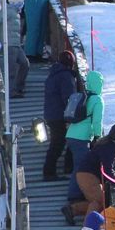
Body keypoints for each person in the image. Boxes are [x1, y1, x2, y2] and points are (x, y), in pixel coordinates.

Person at [64, 123, 115, 225]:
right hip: (88, 175)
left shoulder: (106, 144)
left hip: (85, 174)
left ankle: (72, 210)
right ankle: (88, 229)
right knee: (99, 202)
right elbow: (107, 170)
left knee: (100, 202)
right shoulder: (110, 149)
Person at [62, 69, 105, 208]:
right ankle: (74, 196)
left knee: (78, 165)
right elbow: (97, 121)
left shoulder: (84, 96)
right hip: (82, 138)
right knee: (80, 167)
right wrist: (98, 137)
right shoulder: (97, 100)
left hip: (71, 134)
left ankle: (76, 192)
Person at [43, 49, 79, 181]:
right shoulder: (65, 76)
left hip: (51, 114)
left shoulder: (53, 75)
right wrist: (72, 115)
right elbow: (69, 98)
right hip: (59, 115)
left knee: (59, 141)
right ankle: (51, 172)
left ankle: (56, 170)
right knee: (59, 142)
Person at [1, 0, 29, 98]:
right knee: (11, 70)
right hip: (9, 44)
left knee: (25, 64)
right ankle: (11, 91)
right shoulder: (7, 12)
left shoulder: (17, 13)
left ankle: (19, 87)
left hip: (16, 44)